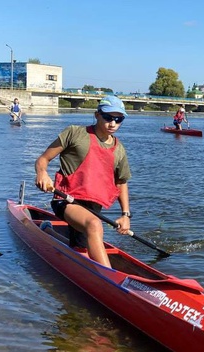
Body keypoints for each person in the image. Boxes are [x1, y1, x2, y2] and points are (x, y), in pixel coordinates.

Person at [34, 95, 132, 268]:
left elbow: (121, 182)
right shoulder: (75, 133)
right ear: (97, 115)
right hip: (65, 199)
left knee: (80, 248)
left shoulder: (119, 149)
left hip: (93, 206)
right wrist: (42, 174)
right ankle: (107, 277)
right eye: (108, 117)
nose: (113, 123)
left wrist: (125, 215)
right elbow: (42, 160)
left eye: (119, 119)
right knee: (94, 225)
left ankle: (48, 231)